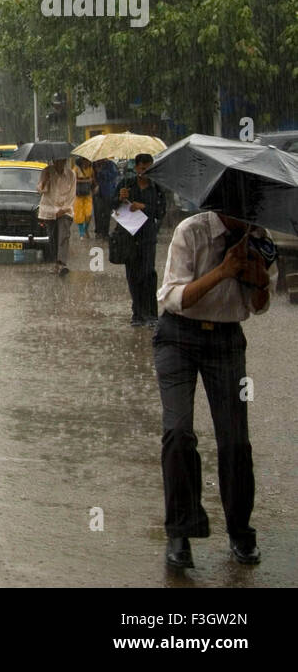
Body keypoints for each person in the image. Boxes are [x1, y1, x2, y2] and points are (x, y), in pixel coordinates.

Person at [153, 210, 277, 569]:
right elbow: (174, 297)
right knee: (177, 432)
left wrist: (258, 281)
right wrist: (222, 271)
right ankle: (180, 532)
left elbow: (260, 307)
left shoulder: (260, 239)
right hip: (177, 336)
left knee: (236, 439)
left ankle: (240, 531)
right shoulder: (190, 231)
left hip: (226, 341)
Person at [117, 153, 166, 326]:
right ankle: (137, 314)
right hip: (129, 238)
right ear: (137, 167)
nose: (145, 171)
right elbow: (111, 207)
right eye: (143, 168)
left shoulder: (157, 187)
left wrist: (144, 206)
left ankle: (151, 315)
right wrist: (119, 198)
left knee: (148, 275)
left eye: (149, 168)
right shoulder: (126, 185)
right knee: (133, 276)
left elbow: (161, 212)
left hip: (148, 237)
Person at [37, 157, 77, 275]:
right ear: (53, 161)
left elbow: (72, 195)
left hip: (65, 211)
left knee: (63, 235)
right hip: (49, 210)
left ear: (65, 161)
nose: (59, 163)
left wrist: (63, 209)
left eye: (61, 161)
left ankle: (61, 263)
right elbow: (40, 189)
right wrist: (45, 181)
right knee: (53, 237)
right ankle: (56, 262)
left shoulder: (71, 174)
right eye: (56, 161)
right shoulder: (46, 171)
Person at [93, 158, 119, 240]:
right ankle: (98, 232)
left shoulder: (110, 164)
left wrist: (101, 171)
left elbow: (113, 175)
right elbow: (92, 177)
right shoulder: (94, 164)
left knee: (107, 213)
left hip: (108, 192)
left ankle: (105, 232)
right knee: (98, 213)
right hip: (98, 193)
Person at [72, 158, 94, 240]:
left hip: (88, 194)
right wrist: (85, 181)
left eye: (88, 161)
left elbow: (93, 179)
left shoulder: (90, 169)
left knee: (89, 213)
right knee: (79, 214)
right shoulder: (76, 168)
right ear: (82, 161)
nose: (87, 163)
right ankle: (81, 233)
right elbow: (73, 180)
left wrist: (92, 182)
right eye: (86, 161)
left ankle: (85, 229)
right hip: (78, 195)